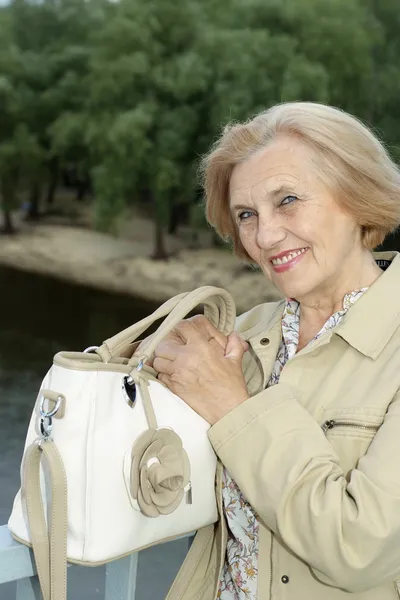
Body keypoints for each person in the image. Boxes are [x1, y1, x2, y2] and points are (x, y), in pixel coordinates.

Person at [142, 102, 400, 599]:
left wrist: (234, 408)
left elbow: (359, 548)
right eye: (246, 214)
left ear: (357, 197)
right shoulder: (241, 335)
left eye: (287, 200)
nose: (265, 234)